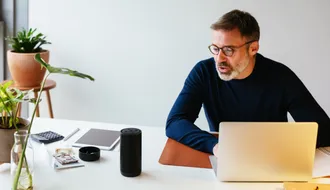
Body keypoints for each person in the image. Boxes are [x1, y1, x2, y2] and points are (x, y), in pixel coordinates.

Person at [165, 9, 330, 157]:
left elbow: (324, 131)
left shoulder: (281, 76)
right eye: (215, 48)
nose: (219, 59)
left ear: (253, 48)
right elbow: (175, 122)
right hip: (226, 156)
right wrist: (215, 146)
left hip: (272, 158)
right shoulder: (204, 72)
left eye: (228, 50)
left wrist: (282, 145)